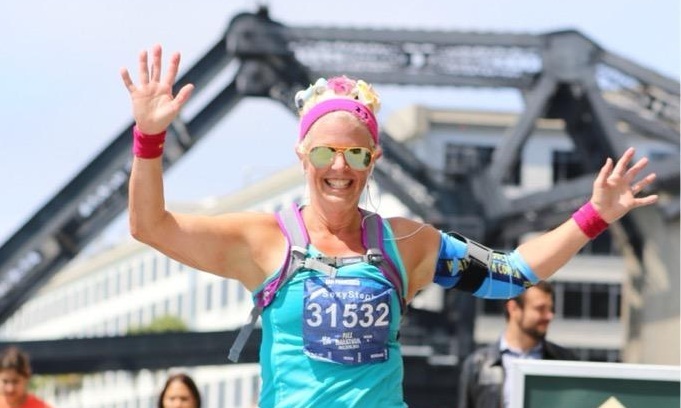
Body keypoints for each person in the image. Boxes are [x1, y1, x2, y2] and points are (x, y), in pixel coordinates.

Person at [120, 44, 658, 408]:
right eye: (325, 152)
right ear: (302, 155)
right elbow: (150, 227)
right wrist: (148, 138)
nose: (340, 167)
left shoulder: (406, 242)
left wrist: (593, 216)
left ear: (373, 160)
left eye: (355, 154)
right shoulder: (263, 240)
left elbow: (509, 273)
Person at [457, 281, 576, 408]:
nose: (549, 316)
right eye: (540, 309)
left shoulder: (565, 360)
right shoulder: (477, 364)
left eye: (550, 309)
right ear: (513, 308)